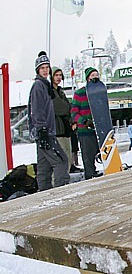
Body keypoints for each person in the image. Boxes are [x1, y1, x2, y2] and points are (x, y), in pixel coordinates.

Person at [28, 51, 70, 191]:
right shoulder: (38, 86)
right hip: (44, 132)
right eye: (42, 68)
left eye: (47, 67)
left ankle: (44, 193)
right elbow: (37, 110)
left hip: (45, 132)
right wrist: (42, 130)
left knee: (44, 167)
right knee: (61, 161)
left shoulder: (45, 86)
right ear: (38, 70)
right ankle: (61, 191)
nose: (45, 70)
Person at [71, 67, 101, 179]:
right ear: (88, 78)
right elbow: (74, 113)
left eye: (96, 75)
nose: (95, 77)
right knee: (88, 155)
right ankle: (90, 174)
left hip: (98, 128)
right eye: (92, 75)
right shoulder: (79, 93)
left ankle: (96, 171)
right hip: (85, 130)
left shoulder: (100, 92)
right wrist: (84, 121)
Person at [51, 67, 73, 173]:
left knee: (68, 157)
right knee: (62, 159)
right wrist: (67, 108)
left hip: (65, 129)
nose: (59, 77)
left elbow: (69, 108)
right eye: (56, 75)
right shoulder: (50, 91)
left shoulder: (60, 91)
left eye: (60, 75)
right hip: (57, 130)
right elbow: (62, 108)